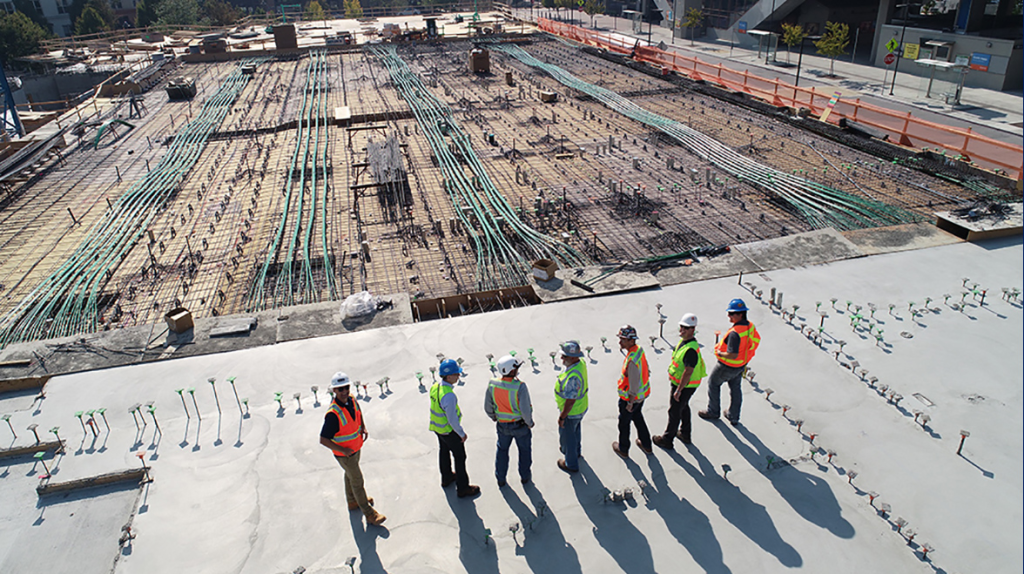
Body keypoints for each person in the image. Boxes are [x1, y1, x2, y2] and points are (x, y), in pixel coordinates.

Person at [319, 372, 386, 526]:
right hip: (345, 454)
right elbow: (323, 439)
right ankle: (369, 514)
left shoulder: (352, 400)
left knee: (350, 475)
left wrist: (363, 426)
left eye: (346, 387)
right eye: (340, 389)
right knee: (357, 480)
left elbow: (358, 412)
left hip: (355, 448)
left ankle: (352, 501)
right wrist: (343, 450)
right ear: (334, 391)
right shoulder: (333, 414)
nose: (344, 392)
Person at [699, 299, 761, 426]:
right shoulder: (749, 326)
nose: (729, 316)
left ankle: (713, 411)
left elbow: (732, 354)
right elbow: (753, 342)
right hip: (741, 365)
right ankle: (734, 416)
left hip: (727, 366)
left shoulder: (735, 333)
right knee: (735, 388)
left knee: (713, 384)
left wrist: (719, 353)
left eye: (732, 314)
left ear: (740, 315)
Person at [653, 313, 706, 449]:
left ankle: (667, 439)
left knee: (674, 411)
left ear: (693, 329)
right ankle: (685, 433)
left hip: (684, 386)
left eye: (686, 328)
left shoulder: (690, 350)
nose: (682, 330)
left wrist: (679, 390)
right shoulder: (685, 343)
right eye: (681, 327)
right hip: (683, 384)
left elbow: (688, 372)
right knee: (683, 407)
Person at [429, 359, 480, 498]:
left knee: (444, 451)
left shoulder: (435, 387)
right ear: (449, 376)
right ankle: (463, 488)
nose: (458, 376)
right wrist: (461, 433)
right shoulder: (449, 395)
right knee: (460, 457)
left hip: (437, 428)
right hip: (448, 431)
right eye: (456, 374)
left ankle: (446, 477)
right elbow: (452, 419)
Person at [484, 355, 535, 486]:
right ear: (511, 370)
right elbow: (525, 409)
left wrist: (494, 417)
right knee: (524, 451)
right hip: (520, 426)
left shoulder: (493, 384)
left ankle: (500, 478)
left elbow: (488, 406)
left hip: (502, 425)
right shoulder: (520, 387)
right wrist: (529, 423)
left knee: (502, 451)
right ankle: (525, 477)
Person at [612, 325, 653, 458]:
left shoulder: (632, 360)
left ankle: (623, 448)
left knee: (624, 424)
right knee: (638, 418)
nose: (620, 342)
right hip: (641, 397)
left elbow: (633, 384)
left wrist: (630, 402)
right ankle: (646, 444)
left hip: (630, 399)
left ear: (631, 341)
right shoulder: (638, 351)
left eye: (623, 339)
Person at [555, 340, 588, 473]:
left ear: (574, 357)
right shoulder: (581, 364)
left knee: (568, 437)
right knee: (575, 432)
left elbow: (570, 400)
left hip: (572, 412)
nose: (562, 358)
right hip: (581, 408)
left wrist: (562, 417)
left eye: (565, 356)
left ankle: (571, 464)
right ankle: (577, 452)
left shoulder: (573, 377)